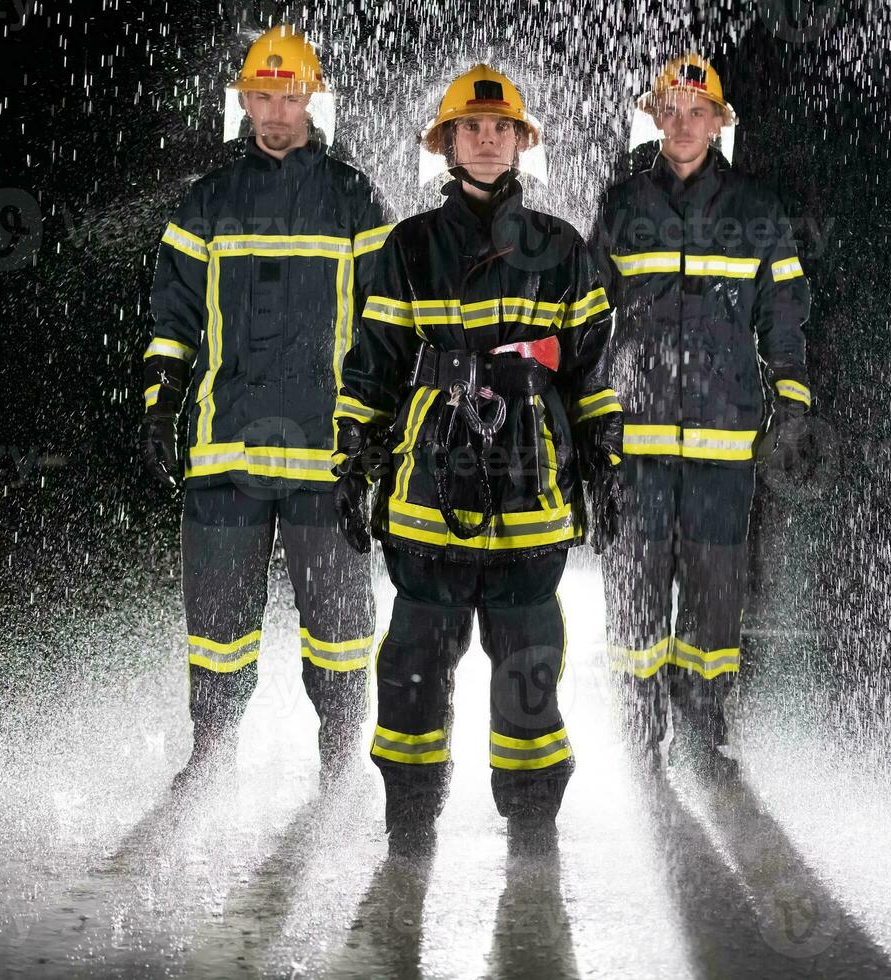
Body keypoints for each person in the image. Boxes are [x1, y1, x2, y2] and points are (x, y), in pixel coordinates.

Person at [332, 64, 622, 854]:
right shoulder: (411, 246)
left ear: (522, 143)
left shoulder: (563, 249)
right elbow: (376, 360)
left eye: (501, 129)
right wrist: (353, 455)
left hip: (530, 489)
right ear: (449, 143)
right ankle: (409, 827)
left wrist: (605, 457)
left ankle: (533, 829)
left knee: (530, 663)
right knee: (414, 664)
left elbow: (592, 367)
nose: (487, 140)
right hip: (429, 489)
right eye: (472, 128)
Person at [141, 25, 390, 795]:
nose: (275, 112)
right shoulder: (207, 202)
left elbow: (385, 323)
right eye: (260, 96)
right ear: (242, 101)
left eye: (289, 96)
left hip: (328, 456)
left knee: (342, 630)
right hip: (226, 453)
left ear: (311, 97)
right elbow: (171, 318)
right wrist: (159, 407)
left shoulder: (353, 196)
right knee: (216, 628)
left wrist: (374, 432)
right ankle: (211, 755)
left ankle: (341, 764)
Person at [590, 53, 813, 778]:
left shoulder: (756, 210)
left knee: (716, 593)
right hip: (637, 438)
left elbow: (785, 315)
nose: (684, 124)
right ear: (655, 116)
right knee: (635, 589)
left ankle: (702, 722)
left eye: (699, 111)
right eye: (673, 110)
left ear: (719, 124)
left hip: (724, 437)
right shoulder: (622, 206)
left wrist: (793, 400)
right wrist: (586, 416)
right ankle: (638, 727)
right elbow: (590, 317)